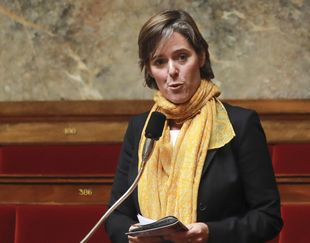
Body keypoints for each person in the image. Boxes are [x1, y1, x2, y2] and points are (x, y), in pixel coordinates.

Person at [105, 9, 283, 243]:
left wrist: (211, 233)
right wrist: (132, 236)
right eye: (159, 61)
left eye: (181, 57)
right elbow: (116, 215)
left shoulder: (240, 124)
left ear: (201, 57)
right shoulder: (141, 127)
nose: (172, 71)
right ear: (149, 70)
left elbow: (268, 218)